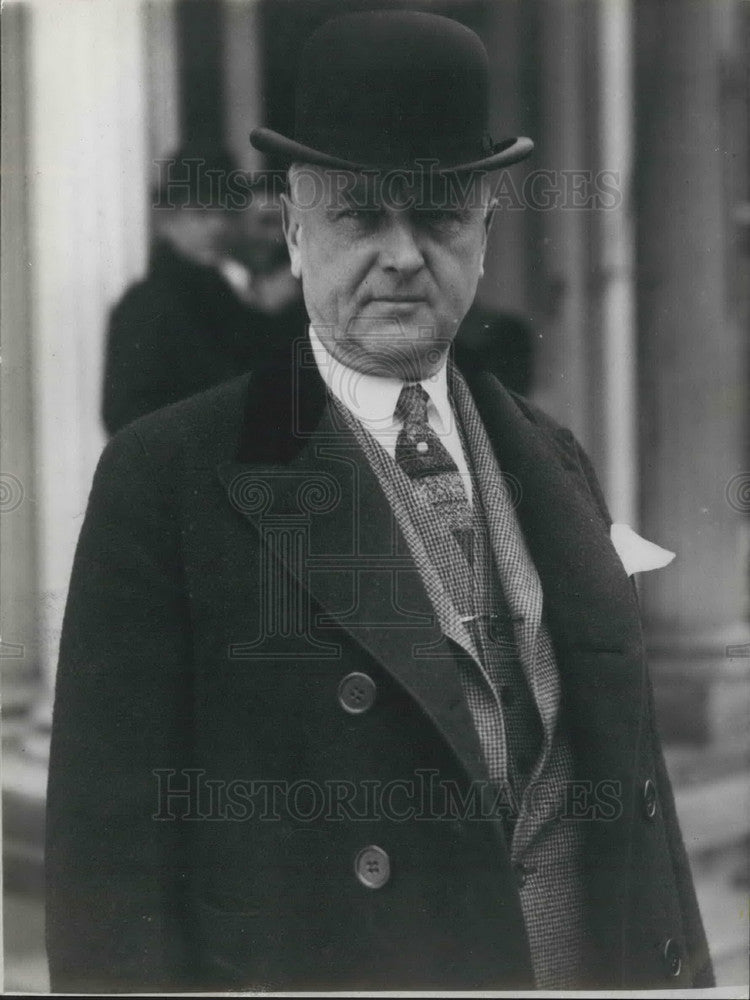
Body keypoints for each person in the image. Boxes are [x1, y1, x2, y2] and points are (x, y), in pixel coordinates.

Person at [47, 11, 712, 993]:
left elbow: (643, 830)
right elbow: (107, 883)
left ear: (484, 234)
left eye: (440, 215)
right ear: (294, 228)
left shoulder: (555, 460)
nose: (404, 254)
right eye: (361, 213)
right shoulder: (168, 478)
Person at [101, 153, 306, 435]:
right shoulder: (145, 307)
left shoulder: (228, 297)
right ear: (167, 220)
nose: (218, 226)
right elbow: (128, 422)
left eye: (227, 212)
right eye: (201, 212)